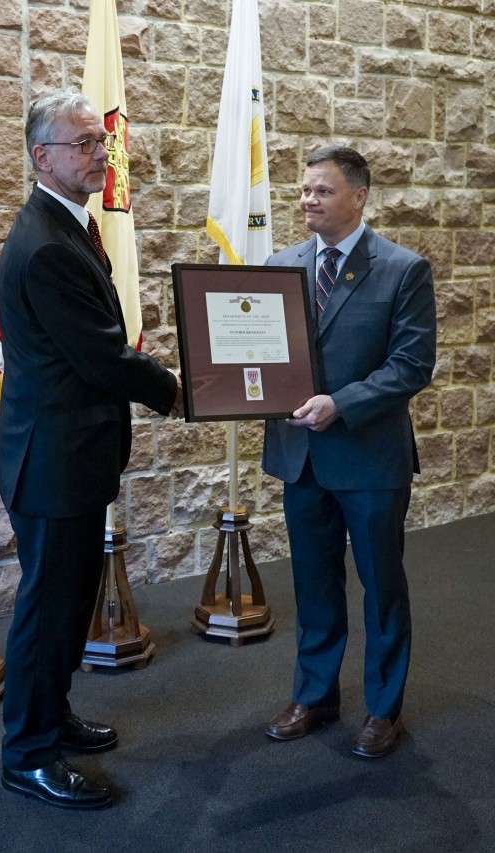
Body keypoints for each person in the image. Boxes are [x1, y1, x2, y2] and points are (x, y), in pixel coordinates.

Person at [0, 89, 182, 809]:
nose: (100, 155)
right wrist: (177, 389)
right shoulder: (45, 245)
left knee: (71, 598)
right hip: (54, 461)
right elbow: (102, 356)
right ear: (43, 156)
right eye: (83, 144)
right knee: (50, 606)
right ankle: (29, 752)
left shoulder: (68, 225)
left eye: (101, 143)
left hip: (72, 453)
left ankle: (53, 712)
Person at [262, 146, 436, 758]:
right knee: (313, 583)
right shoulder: (278, 265)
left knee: (381, 584)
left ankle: (383, 709)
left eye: (322, 191)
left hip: (368, 456)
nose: (308, 199)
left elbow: (412, 365)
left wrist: (342, 402)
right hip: (301, 456)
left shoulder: (402, 269)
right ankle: (315, 696)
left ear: (359, 196)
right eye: (305, 189)